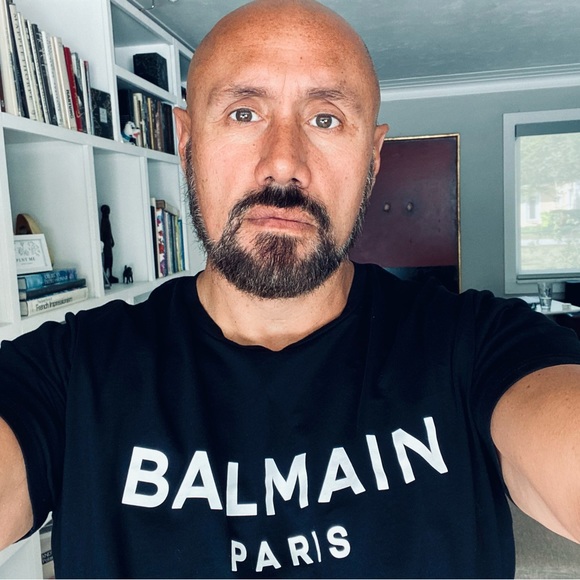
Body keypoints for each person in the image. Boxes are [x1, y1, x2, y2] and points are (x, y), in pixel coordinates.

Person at [0, 0, 579, 577]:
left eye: (325, 119)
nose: (282, 163)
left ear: (373, 158)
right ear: (187, 142)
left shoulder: (478, 345)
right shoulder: (73, 370)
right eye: (243, 113)